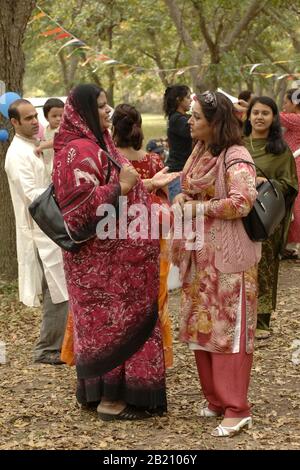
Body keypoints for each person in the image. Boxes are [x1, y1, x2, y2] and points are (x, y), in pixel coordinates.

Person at [52, 84, 177, 420]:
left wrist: (141, 186)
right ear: (84, 112)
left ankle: (114, 397)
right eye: (101, 106)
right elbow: (76, 211)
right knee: (109, 330)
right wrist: (121, 186)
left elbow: (127, 182)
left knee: (127, 326)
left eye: (107, 105)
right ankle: (110, 401)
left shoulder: (99, 142)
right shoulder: (76, 151)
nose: (107, 111)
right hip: (101, 268)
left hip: (125, 265)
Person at [172, 91, 261, 437]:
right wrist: (182, 196)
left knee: (228, 330)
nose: (189, 121)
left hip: (228, 257)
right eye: (191, 115)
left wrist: (201, 208)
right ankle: (215, 399)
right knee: (202, 328)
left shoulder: (236, 156)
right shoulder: (201, 150)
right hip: (198, 256)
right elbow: (189, 186)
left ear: (215, 122)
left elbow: (242, 202)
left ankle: (237, 407)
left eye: (195, 116)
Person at [5, 99, 68, 365]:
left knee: (59, 288)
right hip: (39, 230)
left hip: (51, 225)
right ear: (14, 122)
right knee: (56, 290)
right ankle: (47, 348)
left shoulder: (35, 145)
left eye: (35, 117)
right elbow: (33, 196)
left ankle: (59, 344)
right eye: (28, 118)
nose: (35, 122)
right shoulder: (16, 155)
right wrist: (63, 195)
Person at [112, 103, 173, 369]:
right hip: (152, 236)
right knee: (154, 297)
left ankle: (120, 355)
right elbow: (164, 201)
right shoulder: (154, 161)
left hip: (115, 236)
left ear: (114, 127)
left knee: (120, 297)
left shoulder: (109, 159)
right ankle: (154, 352)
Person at [244, 96, 298, 338]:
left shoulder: (280, 149)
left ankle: (262, 321)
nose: (259, 117)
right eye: (255, 112)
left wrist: (269, 183)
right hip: (239, 215)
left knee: (264, 267)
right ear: (248, 116)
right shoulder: (238, 145)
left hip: (267, 218)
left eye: (265, 113)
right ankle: (239, 317)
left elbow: (291, 184)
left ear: (274, 118)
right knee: (240, 266)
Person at [163, 85, 192, 202]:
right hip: (177, 173)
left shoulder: (180, 118)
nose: (191, 100)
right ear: (178, 100)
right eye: (188, 97)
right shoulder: (176, 119)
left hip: (183, 172)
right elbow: (191, 129)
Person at [280, 88, 300, 259]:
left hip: (296, 166)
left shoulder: (296, 119)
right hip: (293, 165)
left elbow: (273, 116)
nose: (283, 106)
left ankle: (289, 244)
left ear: (295, 103)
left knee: (295, 207)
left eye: (286, 102)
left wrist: (249, 106)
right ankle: (288, 245)